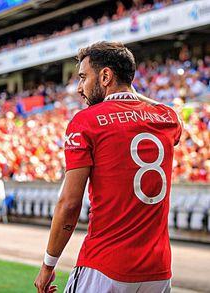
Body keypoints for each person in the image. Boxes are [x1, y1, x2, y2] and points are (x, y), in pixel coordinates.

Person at [34, 41, 182, 293]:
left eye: (83, 77)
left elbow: (69, 204)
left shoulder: (86, 121)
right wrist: (129, 91)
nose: (79, 88)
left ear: (105, 76)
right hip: (158, 271)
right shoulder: (167, 118)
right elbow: (164, 110)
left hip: (105, 266)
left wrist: (48, 265)